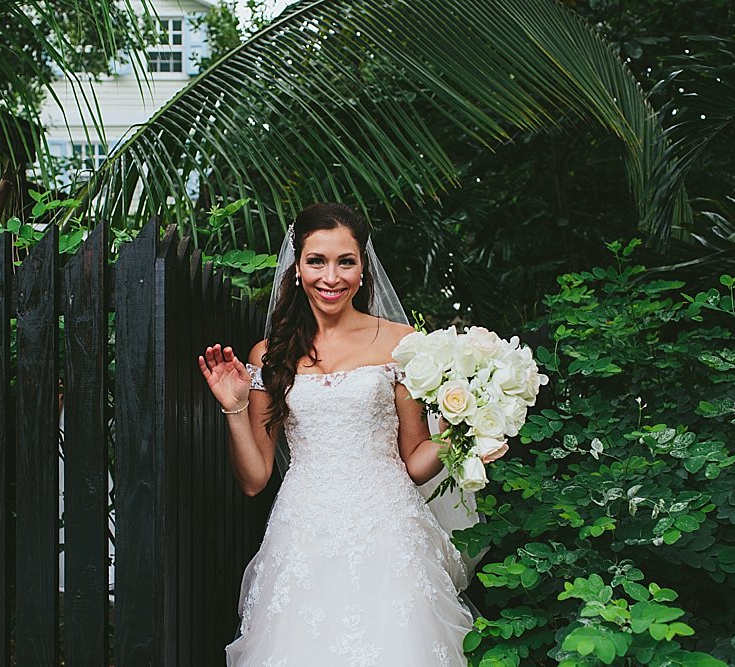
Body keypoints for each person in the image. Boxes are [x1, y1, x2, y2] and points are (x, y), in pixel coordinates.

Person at [198, 202, 507, 666]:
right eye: (317, 261)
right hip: (304, 532)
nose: (332, 276)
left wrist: (462, 439)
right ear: (297, 268)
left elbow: (415, 462)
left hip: (389, 530)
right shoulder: (272, 353)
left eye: (346, 261)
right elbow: (255, 477)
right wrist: (236, 408)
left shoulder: (401, 344)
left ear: (364, 269)